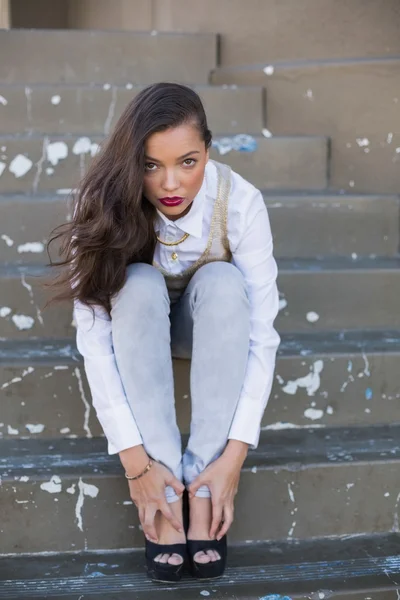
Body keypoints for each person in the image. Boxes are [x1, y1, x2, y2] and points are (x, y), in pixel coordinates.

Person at [48, 82, 280, 583]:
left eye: (188, 162)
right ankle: (166, 490)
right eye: (150, 166)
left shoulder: (239, 201)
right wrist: (137, 466)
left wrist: (234, 458)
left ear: (209, 153)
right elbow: (96, 340)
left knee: (222, 280)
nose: (170, 182)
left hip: (210, 328)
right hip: (140, 324)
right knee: (136, 281)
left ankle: (204, 485)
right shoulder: (102, 200)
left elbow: (262, 333)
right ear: (131, 162)